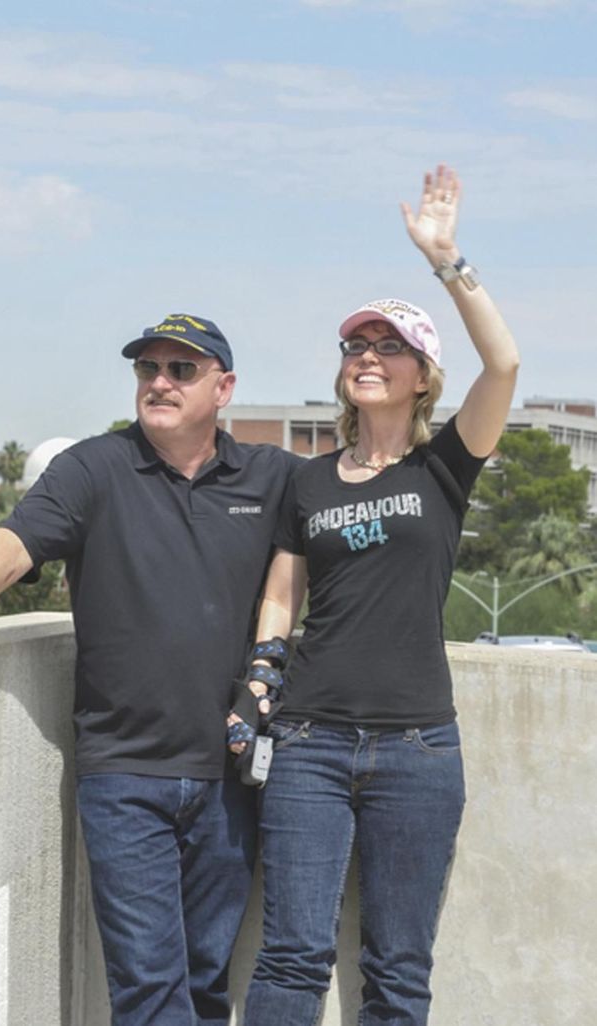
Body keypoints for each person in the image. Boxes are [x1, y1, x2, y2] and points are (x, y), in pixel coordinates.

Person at [0, 312, 299, 1026]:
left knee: (206, 984)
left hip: (231, 777)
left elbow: (355, 520)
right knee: (150, 990)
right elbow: (11, 547)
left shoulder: (271, 476)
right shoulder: (94, 468)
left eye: (181, 370)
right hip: (124, 776)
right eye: (147, 369)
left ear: (225, 387)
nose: (159, 382)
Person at [228, 165, 520, 1026]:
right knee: (291, 958)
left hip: (419, 750)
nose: (367, 356)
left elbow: (504, 361)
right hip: (310, 741)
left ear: (423, 375)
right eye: (357, 345)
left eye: (389, 346)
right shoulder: (307, 482)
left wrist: (447, 259)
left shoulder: (446, 466)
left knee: (397, 969)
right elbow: (282, 599)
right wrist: (258, 679)